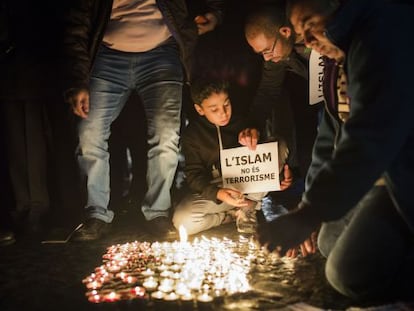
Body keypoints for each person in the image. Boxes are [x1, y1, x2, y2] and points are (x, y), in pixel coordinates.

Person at [258, 0, 414, 301]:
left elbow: (372, 136)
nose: (309, 41)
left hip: (401, 175)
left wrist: (310, 213)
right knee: (328, 244)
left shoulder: (383, 34)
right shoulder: (334, 62)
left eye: (312, 25)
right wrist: (309, 207)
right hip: (374, 177)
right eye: (304, 35)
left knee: (345, 274)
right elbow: (328, 140)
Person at [62, 0, 224, 241]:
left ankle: (158, 212)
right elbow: (78, 19)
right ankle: (96, 214)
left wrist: (215, 11)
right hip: (106, 54)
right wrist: (79, 79)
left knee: (166, 133)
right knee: (90, 131)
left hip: (162, 52)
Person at [172, 78, 292, 236]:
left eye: (226, 104)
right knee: (182, 221)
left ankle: (247, 209)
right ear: (199, 109)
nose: (223, 113)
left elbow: (264, 158)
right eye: (214, 109)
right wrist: (218, 193)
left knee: (279, 144)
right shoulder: (193, 135)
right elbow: (194, 177)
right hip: (219, 189)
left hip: (247, 184)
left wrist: (277, 177)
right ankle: (227, 216)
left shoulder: (242, 120)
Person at [0, 0, 72, 241]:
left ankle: (37, 209)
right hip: (19, 67)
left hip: (34, 65)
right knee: (18, 142)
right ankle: (28, 208)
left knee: (32, 141)